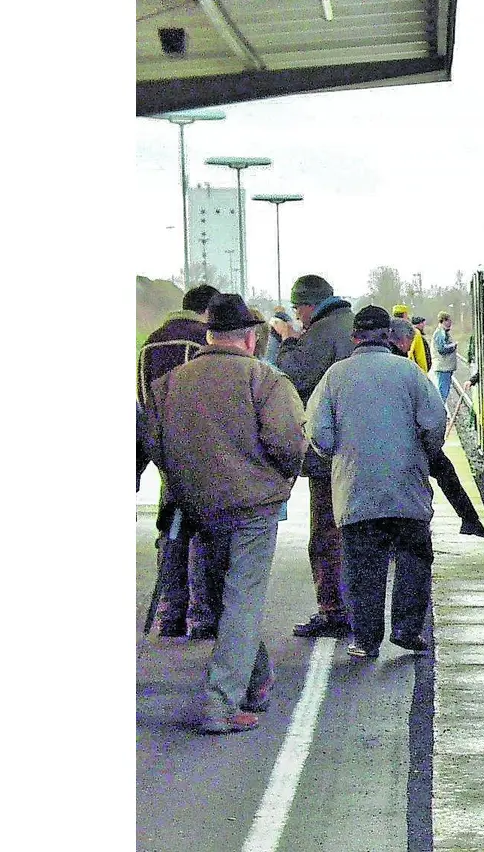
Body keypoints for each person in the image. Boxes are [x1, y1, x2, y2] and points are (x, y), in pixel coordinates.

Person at [142, 293, 306, 733]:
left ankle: (256, 681)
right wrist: (274, 478)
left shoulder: (169, 385)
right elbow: (290, 444)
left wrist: (188, 483)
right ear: (251, 339)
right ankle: (220, 703)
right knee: (242, 602)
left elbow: (156, 447)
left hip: (199, 507)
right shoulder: (265, 381)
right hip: (254, 508)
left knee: (222, 599)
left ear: (208, 335)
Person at [307, 306, 446, 658]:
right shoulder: (410, 373)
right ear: (387, 336)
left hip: (356, 492)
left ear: (354, 337)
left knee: (362, 565)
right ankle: (407, 630)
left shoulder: (334, 377)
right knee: (414, 558)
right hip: (407, 491)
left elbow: (318, 432)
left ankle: (365, 640)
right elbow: (435, 422)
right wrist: (422, 453)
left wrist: (339, 459)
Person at [273, 274, 356, 639]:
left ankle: (333, 610)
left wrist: (288, 341)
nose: (298, 316)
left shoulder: (320, 333)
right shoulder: (349, 325)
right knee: (359, 531)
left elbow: (290, 375)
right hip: (363, 453)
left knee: (325, 533)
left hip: (329, 455)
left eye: (297, 309)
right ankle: (360, 610)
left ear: (307, 305)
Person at [138, 283, 219, 638]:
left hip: (161, 446)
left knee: (171, 527)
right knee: (202, 531)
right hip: (199, 446)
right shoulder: (203, 341)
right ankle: (202, 615)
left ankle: (170, 612)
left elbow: (141, 401)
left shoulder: (150, 343)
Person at [390, 319, 484, 538]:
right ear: (401, 340)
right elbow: (434, 412)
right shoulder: (404, 367)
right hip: (409, 439)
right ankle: (470, 521)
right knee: (444, 472)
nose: (410, 347)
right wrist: (431, 443)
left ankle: (470, 521)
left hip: (395, 439)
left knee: (444, 471)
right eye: (410, 341)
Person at [392, 304, 430, 371]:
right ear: (405, 315)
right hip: (410, 370)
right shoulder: (414, 332)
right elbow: (420, 357)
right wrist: (424, 374)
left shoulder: (388, 331)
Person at [432, 311, 460, 401]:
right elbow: (442, 348)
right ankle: (440, 413)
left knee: (444, 390)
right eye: (449, 321)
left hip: (445, 366)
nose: (450, 323)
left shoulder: (443, 332)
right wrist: (453, 346)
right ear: (443, 321)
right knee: (442, 392)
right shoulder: (440, 333)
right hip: (443, 367)